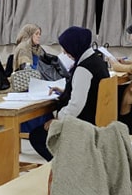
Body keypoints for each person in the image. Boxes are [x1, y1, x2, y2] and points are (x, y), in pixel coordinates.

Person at [28, 26, 109, 161]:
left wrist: (58, 119)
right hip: (95, 118)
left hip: (82, 123)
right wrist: (67, 91)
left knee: (37, 136)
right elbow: (89, 91)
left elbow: (76, 105)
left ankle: (67, 165)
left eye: (66, 48)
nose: (64, 52)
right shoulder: (97, 61)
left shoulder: (84, 69)